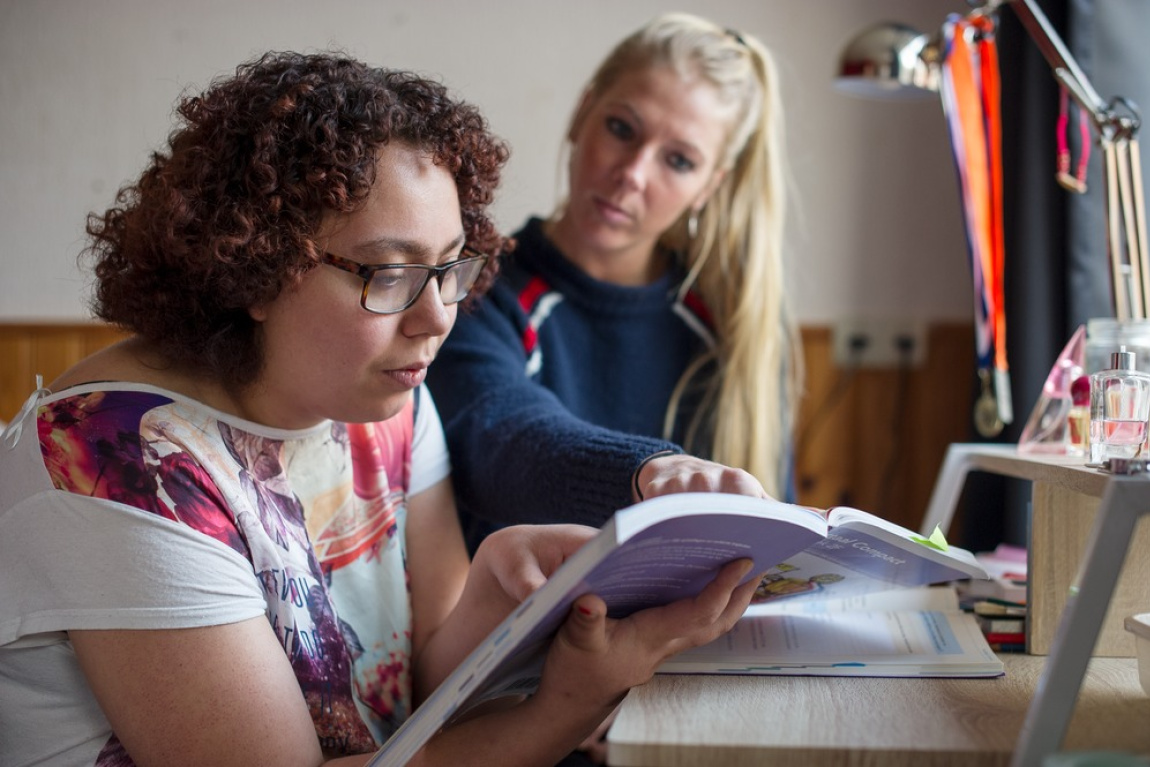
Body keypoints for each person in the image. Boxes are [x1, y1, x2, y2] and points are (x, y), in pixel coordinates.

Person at [0, 51, 762, 767]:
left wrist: (494, 588)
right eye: (389, 274)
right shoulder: (117, 462)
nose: (436, 318)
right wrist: (566, 703)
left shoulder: (381, 395)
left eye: (451, 267)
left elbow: (421, 683)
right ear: (257, 265)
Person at [427, 12, 803, 551]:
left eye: (678, 160)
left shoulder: (733, 329)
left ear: (707, 187)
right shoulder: (476, 287)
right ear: (583, 113)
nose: (633, 173)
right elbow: (501, 440)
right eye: (622, 129)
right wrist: (651, 473)